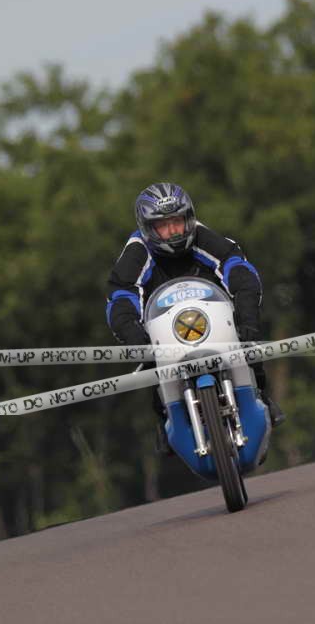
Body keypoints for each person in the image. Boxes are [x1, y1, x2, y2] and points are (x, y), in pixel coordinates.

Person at [106, 182, 285, 453]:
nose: (173, 232)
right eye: (163, 225)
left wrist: (247, 318)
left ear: (189, 218)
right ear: (147, 228)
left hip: (214, 317)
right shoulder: (137, 251)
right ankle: (164, 417)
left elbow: (238, 268)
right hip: (164, 328)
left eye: (177, 222)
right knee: (151, 365)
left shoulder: (205, 237)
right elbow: (121, 295)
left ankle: (261, 395)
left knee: (249, 341)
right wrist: (134, 336)